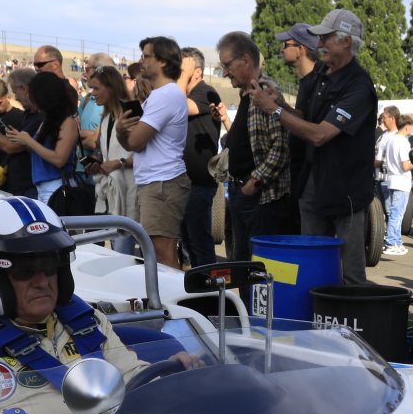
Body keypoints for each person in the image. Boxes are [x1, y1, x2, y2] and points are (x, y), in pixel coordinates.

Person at [0, 198, 195, 414]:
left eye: (50, 267)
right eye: (24, 271)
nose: (42, 282)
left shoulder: (87, 322)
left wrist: (171, 378)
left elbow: (131, 379)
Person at [250, 9, 378, 287]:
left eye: (325, 38)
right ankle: (315, 314)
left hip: (347, 193)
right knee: (311, 268)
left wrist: (273, 110)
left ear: (346, 41)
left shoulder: (359, 86)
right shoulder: (322, 74)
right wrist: (280, 104)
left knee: (350, 275)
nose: (318, 44)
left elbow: (319, 135)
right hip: (315, 186)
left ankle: (350, 316)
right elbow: (306, 121)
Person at [215, 30, 294, 262]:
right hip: (243, 194)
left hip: (261, 199)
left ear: (246, 60)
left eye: (227, 65)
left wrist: (254, 182)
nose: (225, 72)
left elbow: (280, 149)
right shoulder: (246, 94)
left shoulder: (265, 92)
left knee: (259, 269)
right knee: (243, 265)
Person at [118, 36, 191, 268]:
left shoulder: (165, 95)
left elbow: (135, 142)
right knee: (157, 254)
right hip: (157, 182)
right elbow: (134, 144)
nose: (141, 61)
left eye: (146, 56)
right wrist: (122, 132)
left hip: (162, 183)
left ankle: (173, 293)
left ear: (163, 61)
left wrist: (121, 129)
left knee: (162, 255)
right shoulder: (161, 95)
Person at [81, 65, 140, 254]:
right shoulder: (106, 117)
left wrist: (118, 163)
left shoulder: (131, 115)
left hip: (131, 191)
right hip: (112, 194)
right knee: (117, 250)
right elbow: (106, 154)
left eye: (96, 88)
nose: (92, 93)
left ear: (111, 88)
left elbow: (146, 155)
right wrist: (97, 165)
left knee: (122, 251)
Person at [4, 71, 77, 205]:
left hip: (57, 186)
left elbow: (59, 159)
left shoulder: (67, 121)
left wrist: (28, 141)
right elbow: (39, 151)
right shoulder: (47, 120)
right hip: (42, 187)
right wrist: (23, 139)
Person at [178, 47, 222, 267]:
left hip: (199, 182)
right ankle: (198, 283)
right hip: (185, 182)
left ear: (196, 71)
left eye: (182, 68)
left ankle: (208, 285)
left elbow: (178, 107)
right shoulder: (184, 93)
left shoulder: (206, 92)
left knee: (200, 243)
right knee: (188, 241)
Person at [277, 24, 321, 196]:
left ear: (300, 49)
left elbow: (305, 124)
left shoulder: (316, 81)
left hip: (309, 174)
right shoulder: (307, 81)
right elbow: (301, 115)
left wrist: (274, 108)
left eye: (286, 45)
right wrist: (281, 103)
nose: (282, 50)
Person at [375, 107, 413, 256]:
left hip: (390, 179)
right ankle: (392, 242)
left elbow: (382, 160)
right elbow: (405, 165)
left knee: (394, 213)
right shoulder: (401, 141)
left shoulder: (390, 139)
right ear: (407, 126)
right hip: (399, 181)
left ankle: (395, 242)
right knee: (396, 214)